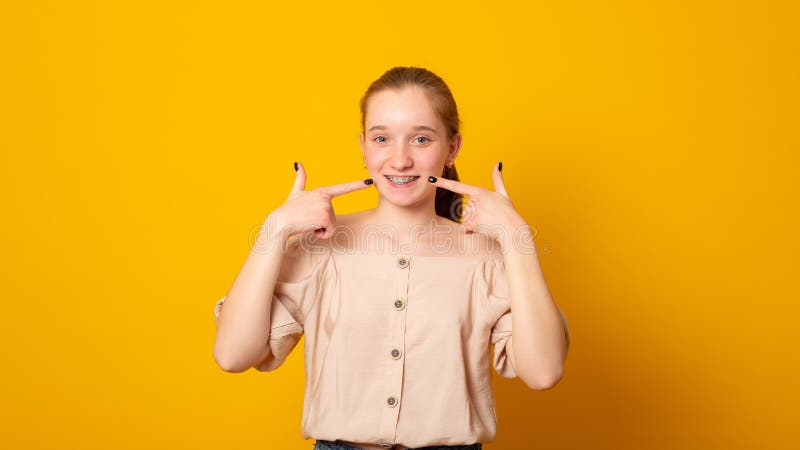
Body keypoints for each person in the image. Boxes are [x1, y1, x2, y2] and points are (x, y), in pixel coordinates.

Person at [212, 66, 570, 450]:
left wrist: (517, 240)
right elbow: (233, 355)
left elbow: (543, 371)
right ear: (363, 146)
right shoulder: (319, 246)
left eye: (420, 139)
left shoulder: (487, 255)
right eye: (382, 138)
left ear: (452, 148)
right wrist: (275, 228)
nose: (400, 160)